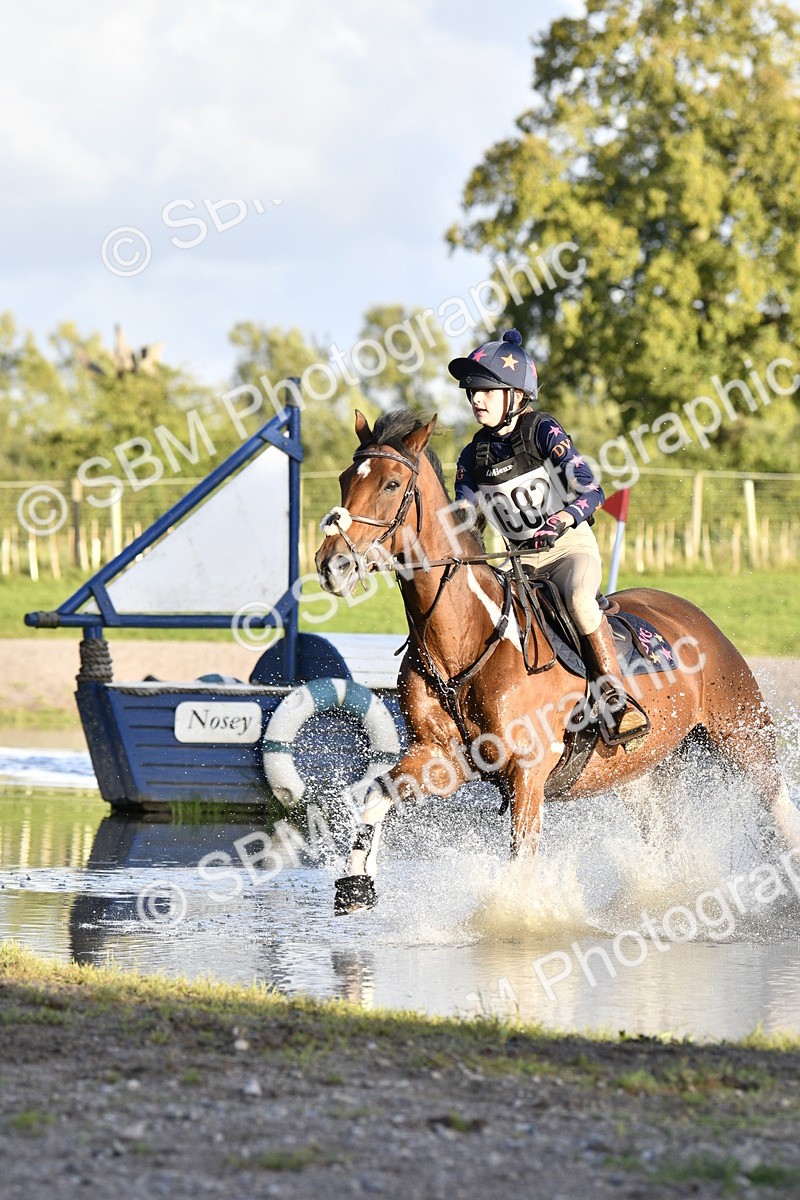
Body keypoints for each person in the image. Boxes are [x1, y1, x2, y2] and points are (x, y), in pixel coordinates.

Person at [449, 328, 648, 746]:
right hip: (518, 565)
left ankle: (617, 700)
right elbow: (464, 514)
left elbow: (592, 491)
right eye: (472, 392)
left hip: (567, 552)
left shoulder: (543, 431)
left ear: (517, 395)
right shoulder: (472, 455)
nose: (476, 399)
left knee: (578, 600)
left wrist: (559, 521)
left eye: (486, 390)